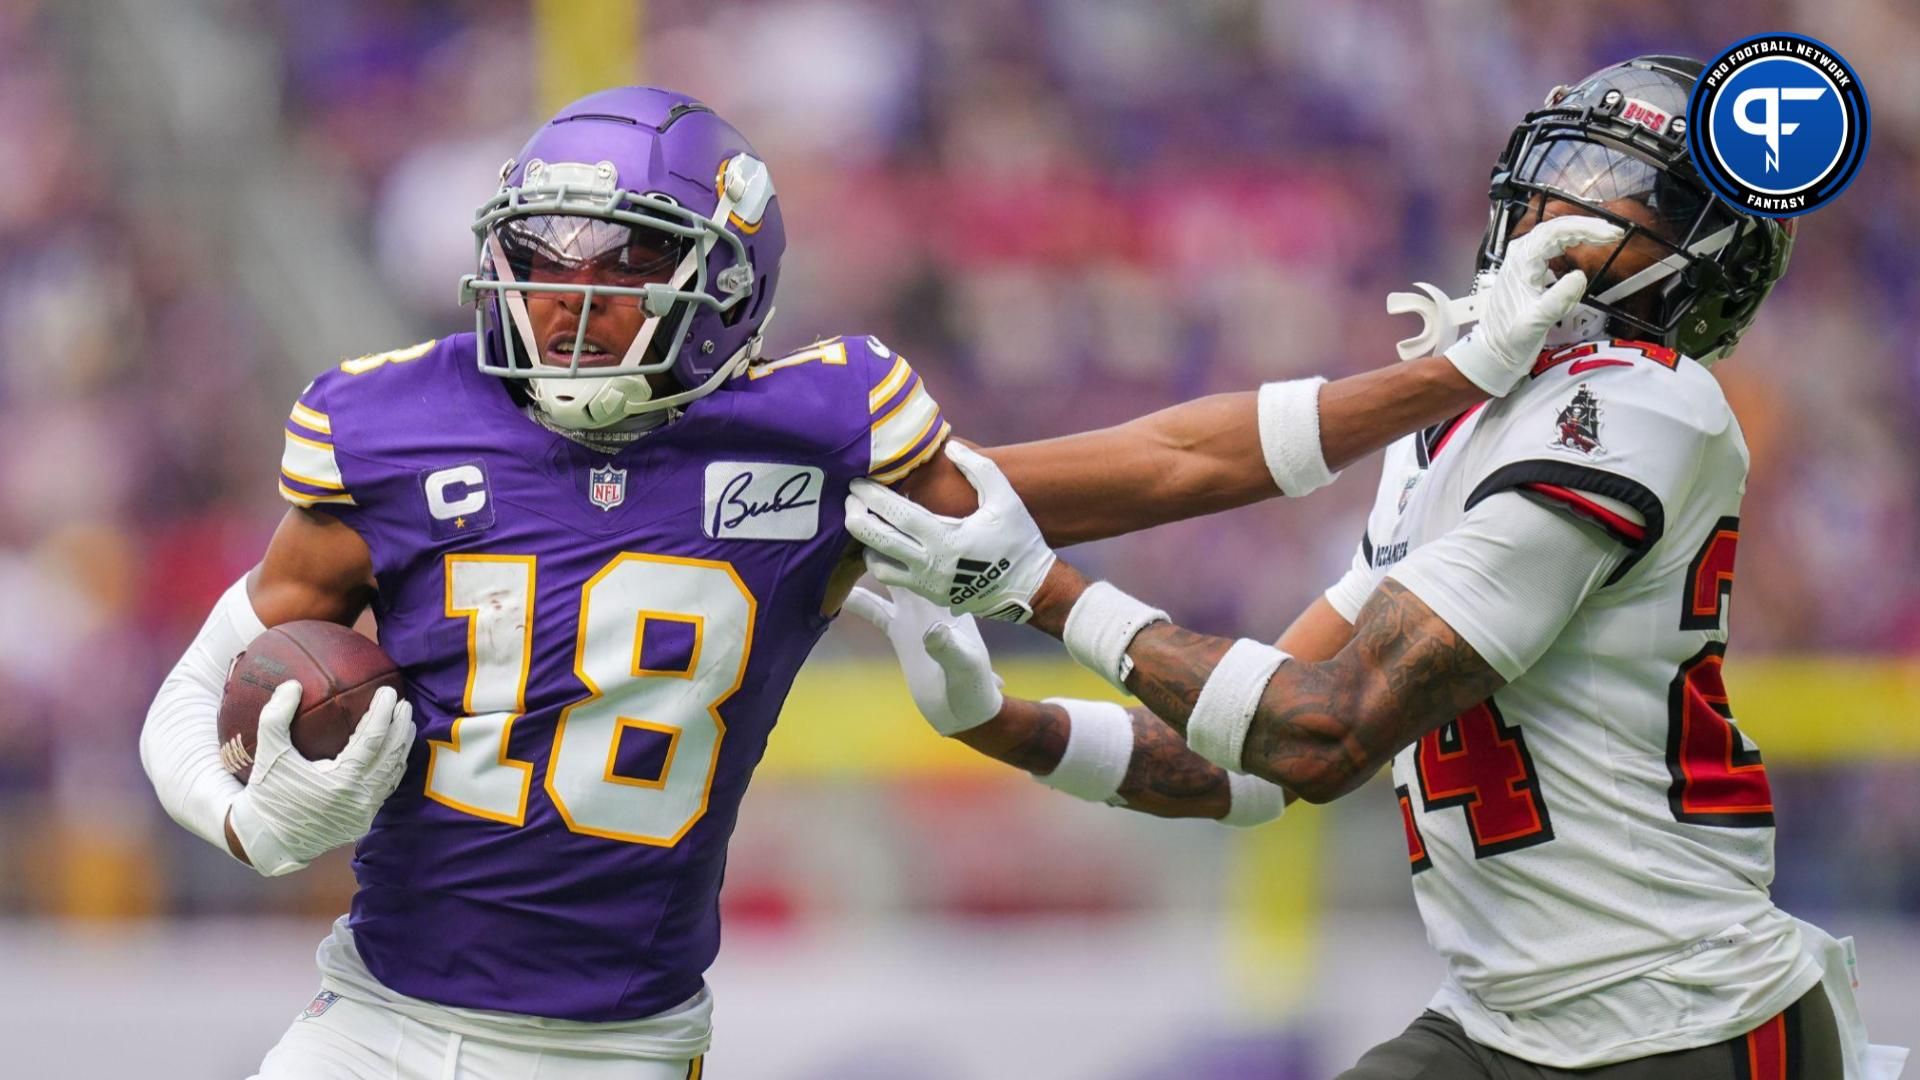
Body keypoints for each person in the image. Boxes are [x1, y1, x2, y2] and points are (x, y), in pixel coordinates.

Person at [137, 85, 1603, 1079]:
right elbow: (196, 686)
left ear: (723, 287)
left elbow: (1154, 462)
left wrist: (1445, 377)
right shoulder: (391, 423)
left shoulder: (820, 434)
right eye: (540, 265)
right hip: (367, 1026)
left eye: (618, 272)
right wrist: (244, 816)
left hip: (616, 1049)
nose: (566, 309)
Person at [844, 57, 1907, 1078]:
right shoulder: (1460, 421)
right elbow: (1242, 764)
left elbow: (1326, 733)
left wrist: (1043, 592)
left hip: (1687, 1021)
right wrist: (999, 722)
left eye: (1622, 194)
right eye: (1565, 172)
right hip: (1505, 1024)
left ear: (1702, 262)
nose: (1563, 208)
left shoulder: (1642, 403)